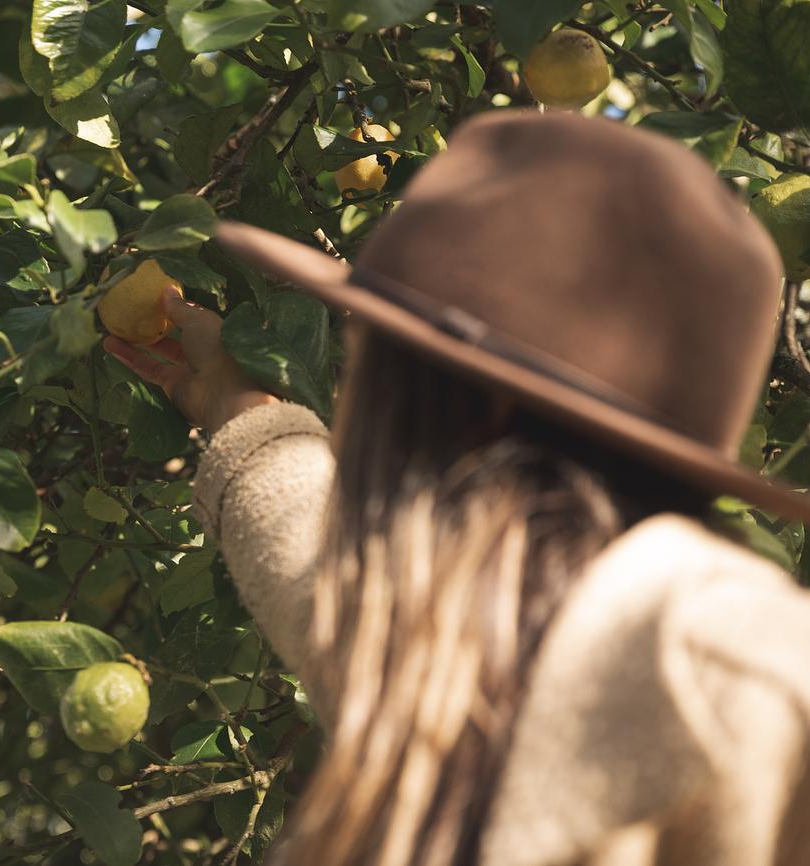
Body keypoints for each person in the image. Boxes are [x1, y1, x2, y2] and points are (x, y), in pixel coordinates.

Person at [105, 110, 810, 866]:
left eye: (371, 353)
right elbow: (297, 536)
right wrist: (231, 404)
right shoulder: (427, 638)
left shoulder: (735, 659)